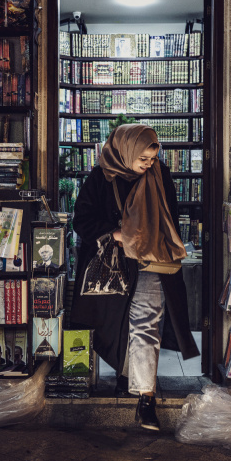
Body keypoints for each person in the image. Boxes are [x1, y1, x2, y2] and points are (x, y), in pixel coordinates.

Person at [70, 124, 198, 431]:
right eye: (143, 158)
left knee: (146, 323)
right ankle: (125, 375)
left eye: (153, 158)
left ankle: (146, 398)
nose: (149, 164)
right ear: (125, 151)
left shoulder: (160, 173)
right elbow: (81, 220)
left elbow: (169, 214)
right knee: (116, 324)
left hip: (150, 260)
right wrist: (114, 233)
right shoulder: (101, 176)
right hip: (113, 266)